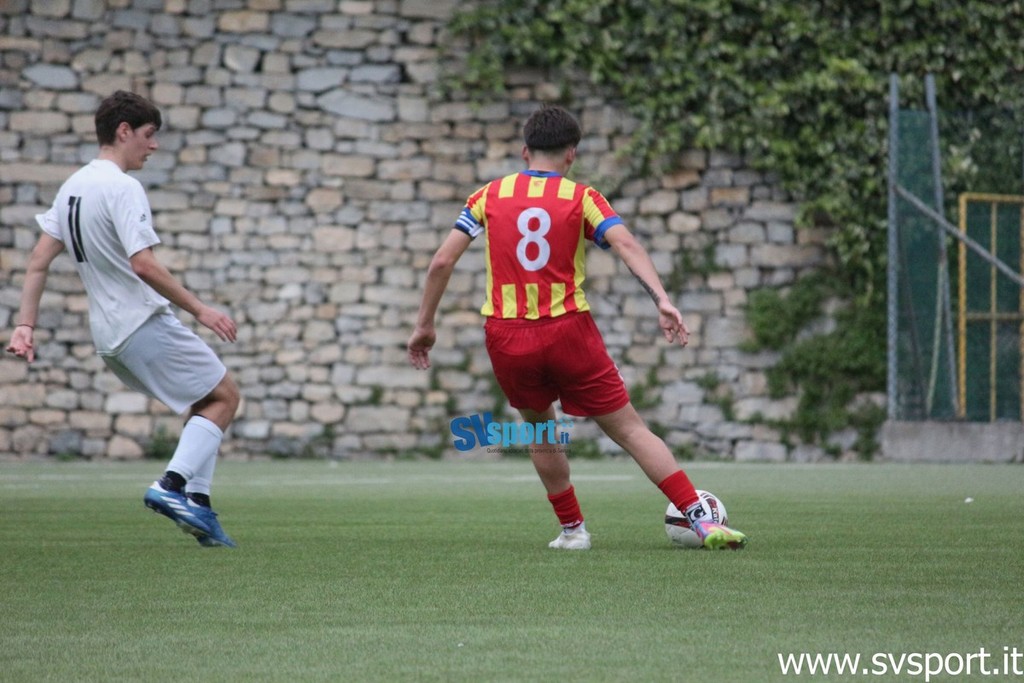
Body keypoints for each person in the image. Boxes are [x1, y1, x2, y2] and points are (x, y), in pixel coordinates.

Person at [408, 104, 747, 550]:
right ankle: (701, 520)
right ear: (572, 154)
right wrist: (662, 300)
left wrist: (425, 326)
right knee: (630, 429)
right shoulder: (582, 197)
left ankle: (573, 531)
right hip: (569, 331)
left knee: (540, 432)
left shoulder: (487, 196)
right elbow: (626, 244)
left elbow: (442, 261)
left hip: (508, 336)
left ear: (525, 151)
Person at [5, 90, 240, 548]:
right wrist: (202, 310)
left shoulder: (73, 186)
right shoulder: (123, 187)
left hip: (109, 337)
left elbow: (37, 262)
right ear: (124, 131)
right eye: (149, 135)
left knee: (204, 399)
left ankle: (199, 506)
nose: (153, 145)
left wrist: (25, 325)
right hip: (140, 322)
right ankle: (170, 487)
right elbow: (144, 265)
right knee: (226, 396)